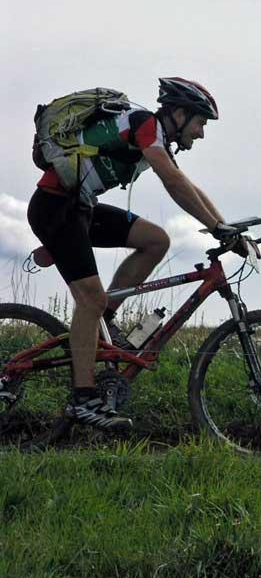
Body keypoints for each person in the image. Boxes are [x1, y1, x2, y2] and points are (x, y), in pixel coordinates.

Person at [24, 77, 240, 431]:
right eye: (200, 123)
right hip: (55, 207)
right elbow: (173, 182)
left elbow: (187, 184)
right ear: (181, 114)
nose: (201, 133)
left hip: (80, 207)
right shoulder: (144, 124)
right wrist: (216, 228)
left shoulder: (153, 136)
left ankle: (104, 319)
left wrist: (224, 225)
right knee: (88, 300)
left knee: (156, 241)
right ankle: (83, 400)